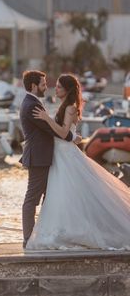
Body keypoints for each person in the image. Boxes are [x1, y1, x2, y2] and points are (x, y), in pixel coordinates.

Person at [26, 73, 130, 250]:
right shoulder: (66, 106)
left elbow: (63, 133)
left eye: (59, 86)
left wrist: (46, 119)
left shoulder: (70, 108)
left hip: (65, 155)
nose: (56, 88)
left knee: (66, 192)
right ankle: (63, 229)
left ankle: (73, 231)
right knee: (60, 194)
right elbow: (68, 134)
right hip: (60, 153)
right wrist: (71, 135)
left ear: (67, 89)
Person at [19, 70, 78, 248]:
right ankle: (28, 238)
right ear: (33, 86)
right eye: (43, 84)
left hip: (44, 156)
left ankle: (45, 233)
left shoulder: (33, 102)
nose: (47, 87)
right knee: (32, 199)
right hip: (39, 157)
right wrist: (72, 137)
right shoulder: (31, 105)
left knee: (49, 197)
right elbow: (51, 130)